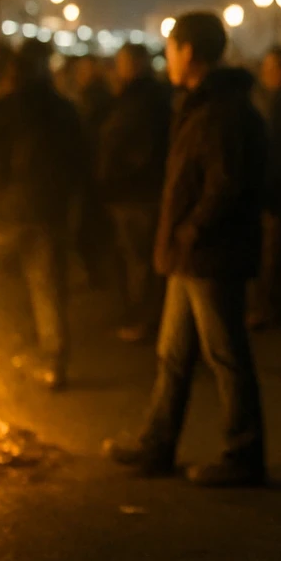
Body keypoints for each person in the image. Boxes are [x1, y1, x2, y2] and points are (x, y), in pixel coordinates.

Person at [105, 12, 268, 486]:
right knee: (172, 353)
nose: (167, 58)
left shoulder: (221, 109)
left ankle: (244, 454)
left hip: (210, 255)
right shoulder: (204, 104)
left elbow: (224, 185)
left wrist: (190, 231)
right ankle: (157, 443)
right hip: (191, 252)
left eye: (171, 48)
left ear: (189, 51)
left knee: (225, 353)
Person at [0, 40, 86, 390]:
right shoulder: (63, 110)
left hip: (6, 213)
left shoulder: (0, 110)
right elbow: (79, 164)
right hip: (47, 212)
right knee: (46, 288)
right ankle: (53, 361)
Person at [96, 43, 173, 342]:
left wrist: (119, 175)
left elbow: (138, 148)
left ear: (136, 64)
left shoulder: (144, 100)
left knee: (140, 261)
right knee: (135, 260)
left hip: (136, 193)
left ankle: (145, 321)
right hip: (130, 192)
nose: (117, 69)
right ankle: (142, 317)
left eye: (122, 63)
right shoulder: (135, 97)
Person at [250, 47, 281, 330]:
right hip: (279, 190)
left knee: (273, 254)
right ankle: (274, 306)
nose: (267, 74)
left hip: (279, 191)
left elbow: (278, 151)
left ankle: (271, 308)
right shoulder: (279, 100)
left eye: (272, 69)